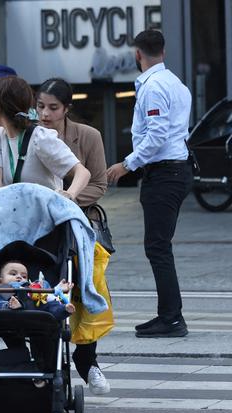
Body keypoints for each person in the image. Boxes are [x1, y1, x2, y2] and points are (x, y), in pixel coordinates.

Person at [106, 29, 193, 338]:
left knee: (157, 247)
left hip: (165, 174)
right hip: (174, 171)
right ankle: (168, 315)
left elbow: (156, 136)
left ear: (137, 54)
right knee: (159, 246)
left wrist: (126, 165)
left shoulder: (153, 87)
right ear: (163, 52)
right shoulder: (176, 85)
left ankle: (171, 318)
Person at [36, 77, 111, 395]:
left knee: (88, 291)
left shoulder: (88, 136)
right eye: (40, 106)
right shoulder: (32, 136)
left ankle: (88, 361)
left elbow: (99, 183)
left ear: (67, 109)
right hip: (41, 230)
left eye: (53, 108)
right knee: (42, 293)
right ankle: (43, 363)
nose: (45, 114)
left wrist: (65, 199)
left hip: (80, 224)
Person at [0, 76, 91, 200]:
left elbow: (82, 173)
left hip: (45, 214)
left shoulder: (40, 138)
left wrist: (69, 195)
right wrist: (0, 198)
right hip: (15, 214)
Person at [0, 260, 75, 320]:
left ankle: (65, 309)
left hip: (35, 306)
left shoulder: (30, 285)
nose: (19, 277)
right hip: (8, 309)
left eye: (24, 276)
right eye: (13, 274)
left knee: (51, 304)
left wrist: (57, 290)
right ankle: (15, 304)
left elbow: (48, 295)